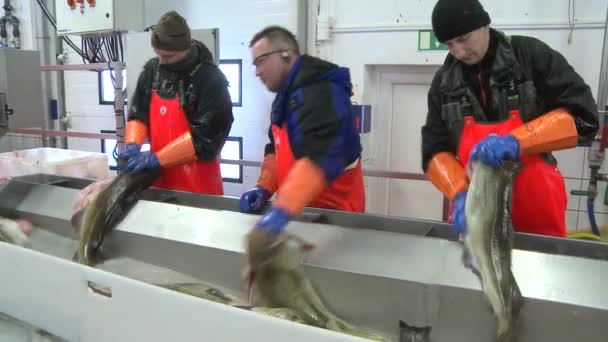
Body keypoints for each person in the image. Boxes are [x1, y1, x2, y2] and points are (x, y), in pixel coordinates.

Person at [421, 0, 599, 237]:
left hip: (537, 207)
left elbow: (584, 117)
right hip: (479, 209)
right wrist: (460, 193)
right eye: (449, 45)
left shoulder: (530, 57)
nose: (459, 52)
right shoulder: (444, 83)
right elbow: (434, 150)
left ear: (484, 24)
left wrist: (516, 142)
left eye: (463, 39)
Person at [241, 25, 365, 237]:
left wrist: (281, 211)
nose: (257, 72)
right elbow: (275, 150)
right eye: (255, 64)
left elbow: (320, 159)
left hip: (335, 224)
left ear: (286, 54)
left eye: (261, 61)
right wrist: (264, 188)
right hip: (298, 216)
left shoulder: (325, 93)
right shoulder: (284, 100)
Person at [119, 11, 233, 195]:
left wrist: (157, 160)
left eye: (169, 56)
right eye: (159, 55)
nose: (162, 62)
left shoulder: (210, 80)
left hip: (199, 190)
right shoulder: (152, 70)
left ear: (186, 49)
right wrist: (132, 144)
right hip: (158, 185)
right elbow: (138, 113)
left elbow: (206, 139)